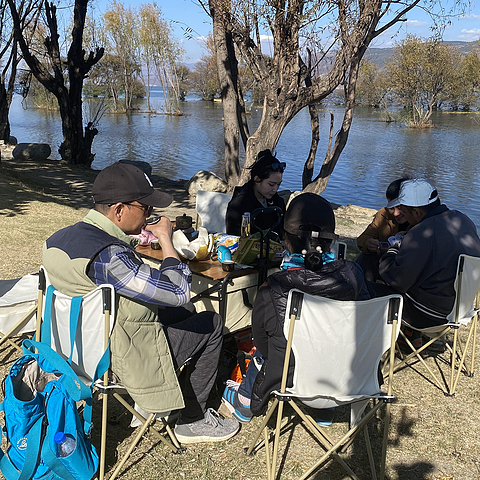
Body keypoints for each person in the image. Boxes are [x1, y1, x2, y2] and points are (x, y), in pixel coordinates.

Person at [42, 162, 239, 444]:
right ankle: (192, 420)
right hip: (121, 357)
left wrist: (132, 240)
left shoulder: (59, 238)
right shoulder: (110, 257)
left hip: (75, 345)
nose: (150, 214)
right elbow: (178, 290)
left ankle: (164, 398)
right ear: (119, 210)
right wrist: (165, 240)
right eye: (145, 208)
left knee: (183, 312)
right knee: (211, 322)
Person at [222, 193, 370, 423]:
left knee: (264, 349)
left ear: (285, 240)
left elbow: (262, 344)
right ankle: (324, 410)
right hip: (343, 379)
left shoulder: (275, 286)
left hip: (293, 380)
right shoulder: (354, 277)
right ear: (331, 241)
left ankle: (244, 402)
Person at [378, 178, 480, 333]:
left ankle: (375, 341)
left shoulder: (423, 231)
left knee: (370, 284)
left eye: (404, 212)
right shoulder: (464, 219)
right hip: (461, 311)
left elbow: (397, 280)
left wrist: (393, 250)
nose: (403, 216)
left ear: (417, 212)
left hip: (427, 315)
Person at [356, 178, 410, 282]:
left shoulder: (420, 222)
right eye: (391, 208)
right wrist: (368, 243)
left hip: (405, 268)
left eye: (399, 207)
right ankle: (361, 289)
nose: (395, 213)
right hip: (383, 264)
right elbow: (362, 238)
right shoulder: (383, 214)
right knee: (367, 256)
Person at [225, 149, 286, 237]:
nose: (275, 189)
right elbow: (233, 237)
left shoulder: (278, 202)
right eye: (271, 184)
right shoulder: (239, 204)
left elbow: (282, 232)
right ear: (257, 179)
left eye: (279, 184)